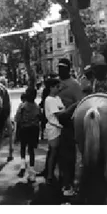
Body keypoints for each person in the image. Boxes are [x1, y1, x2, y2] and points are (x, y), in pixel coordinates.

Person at [56, 58, 84, 197]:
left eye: (63, 68)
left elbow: (80, 102)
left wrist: (67, 112)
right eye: (59, 68)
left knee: (68, 154)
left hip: (68, 123)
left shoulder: (75, 85)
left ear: (68, 69)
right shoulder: (56, 83)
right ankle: (60, 178)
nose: (60, 70)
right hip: (54, 123)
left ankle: (69, 181)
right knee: (56, 153)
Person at [14, 87, 41, 182]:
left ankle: (22, 165)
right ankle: (32, 172)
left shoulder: (22, 106)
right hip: (33, 130)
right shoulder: (37, 107)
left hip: (24, 129)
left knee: (23, 147)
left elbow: (17, 119)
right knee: (31, 150)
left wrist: (16, 134)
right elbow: (39, 120)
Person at [44, 77, 64, 185]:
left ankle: (57, 173)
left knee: (58, 151)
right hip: (54, 127)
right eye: (57, 87)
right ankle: (50, 174)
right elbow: (59, 113)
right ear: (51, 88)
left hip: (59, 126)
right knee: (53, 151)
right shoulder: (49, 100)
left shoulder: (57, 98)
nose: (59, 89)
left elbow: (62, 109)